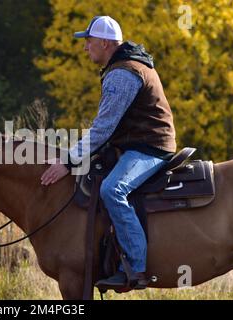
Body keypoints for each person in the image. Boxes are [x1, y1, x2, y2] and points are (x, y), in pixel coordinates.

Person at [40, 16, 177, 289]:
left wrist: (68, 161)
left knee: (112, 190)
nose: (85, 47)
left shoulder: (123, 72)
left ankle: (136, 268)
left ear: (104, 43)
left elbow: (102, 129)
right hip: (137, 144)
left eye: (89, 41)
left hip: (149, 147)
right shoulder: (125, 66)